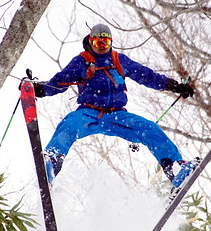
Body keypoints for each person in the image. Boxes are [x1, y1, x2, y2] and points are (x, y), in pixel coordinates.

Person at [32, 23, 196, 187]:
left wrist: (174, 86)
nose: (102, 47)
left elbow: (147, 76)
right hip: (88, 113)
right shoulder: (81, 61)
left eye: (106, 42)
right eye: (98, 43)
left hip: (118, 116)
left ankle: (175, 169)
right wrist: (41, 89)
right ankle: (51, 163)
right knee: (69, 125)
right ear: (91, 42)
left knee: (149, 128)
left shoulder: (119, 60)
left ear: (111, 42)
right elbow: (60, 82)